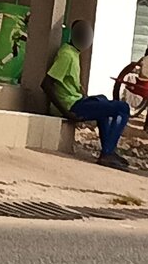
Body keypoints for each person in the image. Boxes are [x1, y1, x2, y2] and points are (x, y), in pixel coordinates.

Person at [44, 19, 131, 170]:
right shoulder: (66, 55)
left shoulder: (73, 53)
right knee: (122, 108)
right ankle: (107, 153)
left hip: (76, 101)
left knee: (103, 101)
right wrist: (66, 113)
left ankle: (108, 150)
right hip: (71, 106)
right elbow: (46, 84)